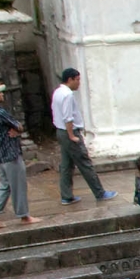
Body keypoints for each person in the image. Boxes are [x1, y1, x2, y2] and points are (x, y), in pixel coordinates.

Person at [50, 67, 115, 203]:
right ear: (70, 79)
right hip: (69, 132)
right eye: (77, 80)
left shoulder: (58, 92)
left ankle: (66, 195)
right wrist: (72, 135)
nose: (79, 83)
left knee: (66, 165)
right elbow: (68, 117)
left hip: (60, 131)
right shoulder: (67, 95)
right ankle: (100, 193)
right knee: (85, 163)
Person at [0, 83, 35, 228]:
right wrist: (17, 130)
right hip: (10, 152)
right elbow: (18, 126)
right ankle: (24, 216)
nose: (2, 94)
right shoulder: (0, 112)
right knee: (18, 184)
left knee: (5, 184)